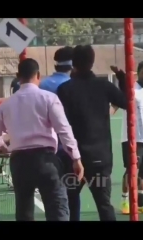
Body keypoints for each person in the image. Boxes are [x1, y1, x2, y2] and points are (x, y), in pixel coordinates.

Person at [0, 58, 84, 221]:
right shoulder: (49, 98)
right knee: (57, 209)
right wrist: (76, 158)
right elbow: (64, 129)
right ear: (38, 75)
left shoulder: (5, 105)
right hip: (45, 159)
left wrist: (1, 146)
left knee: (24, 210)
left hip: (19, 161)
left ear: (18, 76)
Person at [57, 45, 126, 221]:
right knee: (104, 204)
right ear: (92, 61)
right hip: (99, 160)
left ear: (74, 63)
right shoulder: (104, 86)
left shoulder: (65, 89)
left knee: (70, 203)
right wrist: (122, 79)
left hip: (73, 160)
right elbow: (128, 102)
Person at [110, 61, 143, 214]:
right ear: (138, 73)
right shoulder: (131, 90)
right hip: (131, 138)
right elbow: (116, 103)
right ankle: (125, 202)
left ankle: (141, 204)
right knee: (131, 170)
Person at [39, 46, 81, 220]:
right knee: (72, 194)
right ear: (73, 64)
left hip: (47, 150)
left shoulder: (43, 85)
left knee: (52, 195)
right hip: (70, 149)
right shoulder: (74, 86)